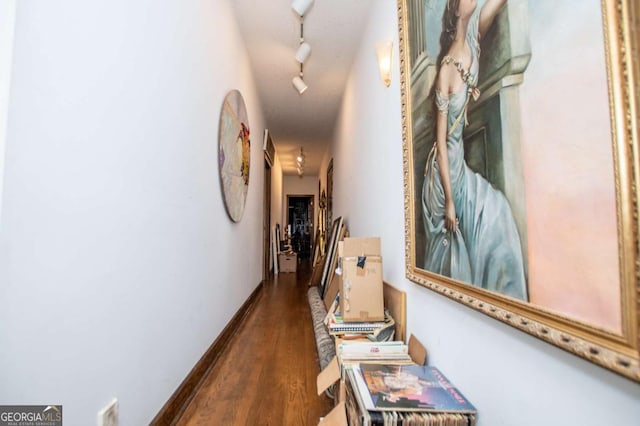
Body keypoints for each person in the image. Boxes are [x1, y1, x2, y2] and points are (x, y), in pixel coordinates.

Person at [422, 0, 528, 300]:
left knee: (497, 212)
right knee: (459, 245)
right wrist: (451, 201)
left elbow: (495, 5)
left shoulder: (472, 38)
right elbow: (441, 142)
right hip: (446, 174)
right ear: (455, 10)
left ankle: (504, 298)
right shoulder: (445, 70)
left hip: (459, 166)